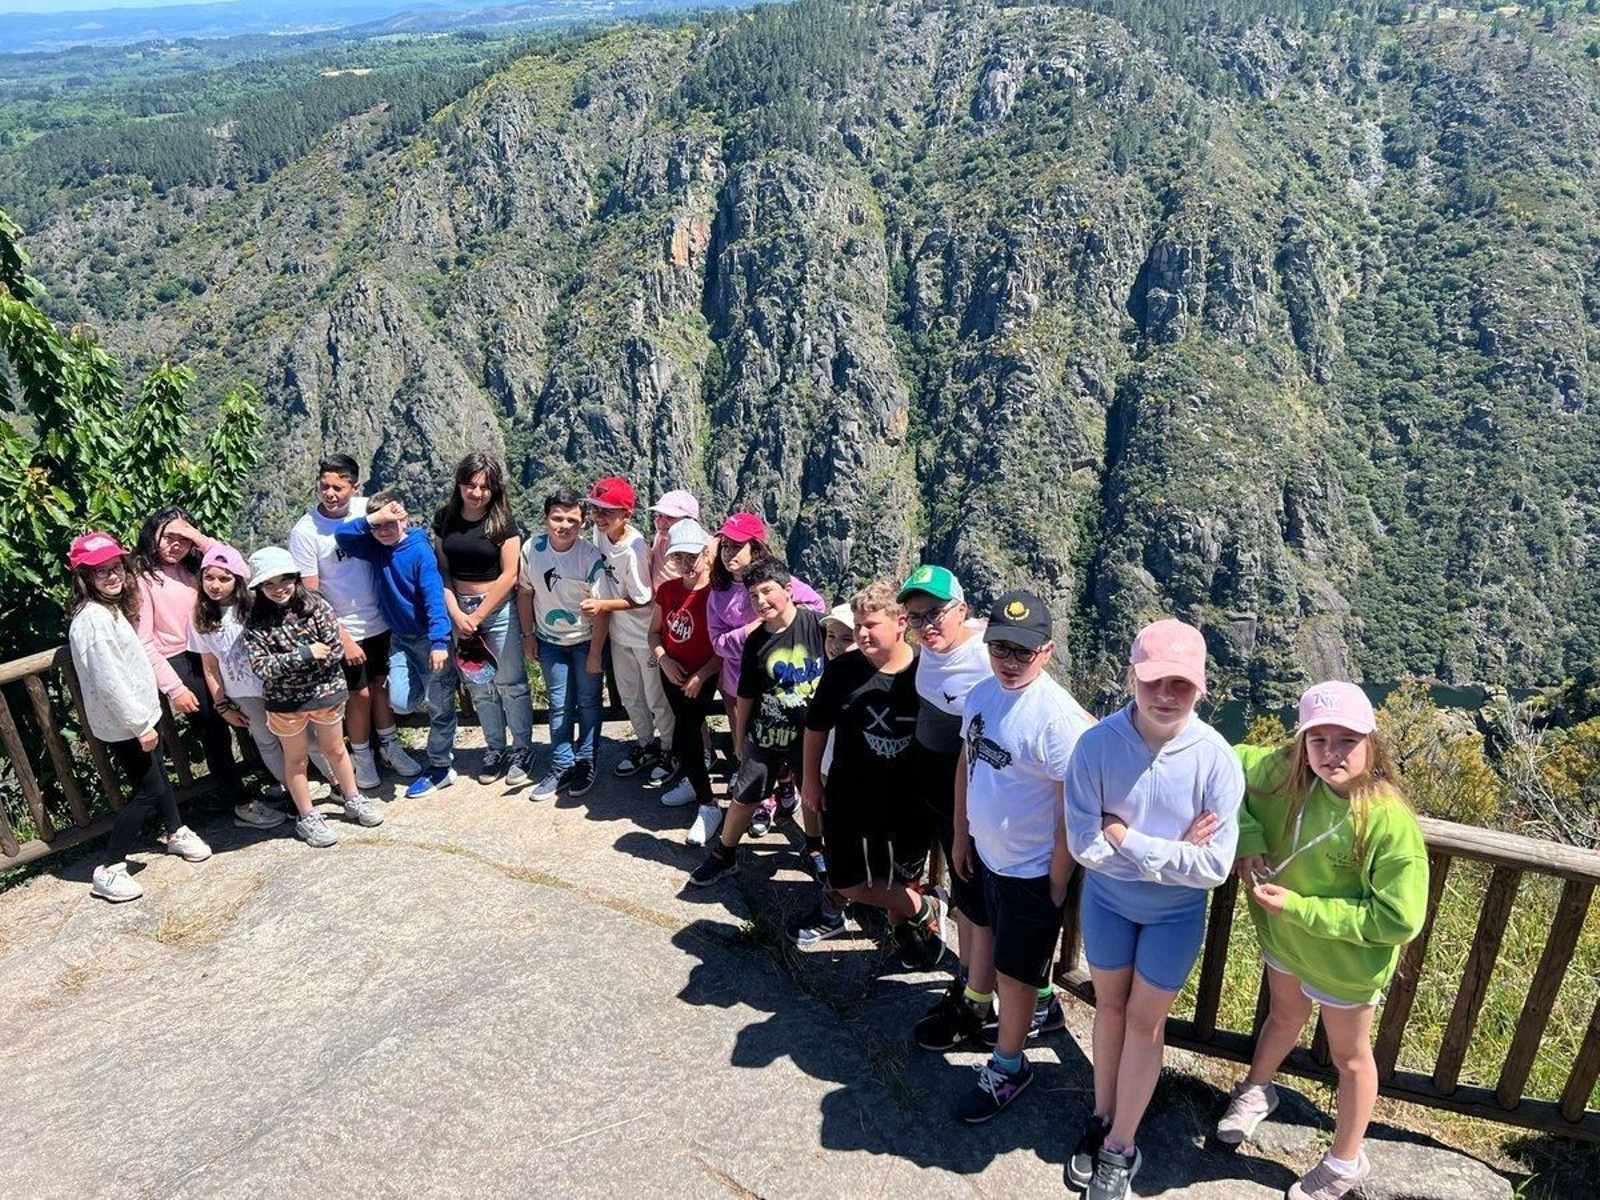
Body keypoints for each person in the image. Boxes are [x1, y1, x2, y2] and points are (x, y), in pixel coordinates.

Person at [1218, 683, 1427, 1200]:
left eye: (1347, 740)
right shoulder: (1283, 772)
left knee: (1350, 1057)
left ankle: (1344, 1162)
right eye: (1319, 739)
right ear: (1302, 741)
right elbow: (1220, 765)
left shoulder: (1387, 821)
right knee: (1284, 1014)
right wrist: (1247, 836)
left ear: (1371, 744)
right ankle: (1257, 1090)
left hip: (1345, 963)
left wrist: (1300, 908)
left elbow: (1400, 919)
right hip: (1284, 940)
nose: (1331, 753)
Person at [1063, 618, 1242, 1199]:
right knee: (1110, 1011)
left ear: (1202, 687)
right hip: (1110, 904)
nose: (1166, 695)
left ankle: (1122, 1144)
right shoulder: (1097, 746)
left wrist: (1129, 839)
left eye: (1181, 685)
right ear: (1132, 678)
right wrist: (1172, 854)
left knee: (1145, 1020)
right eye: (1154, 681)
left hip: (1173, 917)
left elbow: (1215, 867)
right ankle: (1101, 1115)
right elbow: (1082, 843)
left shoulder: (1215, 758)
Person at [950, 590, 1094, 1124]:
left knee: (1015, 973)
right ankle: (1040, 1010)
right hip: (987, 856)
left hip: (1031, 869)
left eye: (1023, 652)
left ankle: (1009, 1066)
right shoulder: (983, 695)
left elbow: (1069, 808)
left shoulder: (1057, 719)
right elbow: (968, 765)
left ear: (1048, 651)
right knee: (1003, 953)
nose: (1010, 661)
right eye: (1000, 648)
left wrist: (1056, 881)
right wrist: (962, 837)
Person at [798, 583, 945, 964]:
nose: (862, 634)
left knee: (900, 877)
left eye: (871, 625)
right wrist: (811, 780)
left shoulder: (927, 671)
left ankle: (904, 935)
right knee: (848, 878)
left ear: (901, 624)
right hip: (851, 794)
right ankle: (924, 911)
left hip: (910, 801)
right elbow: (816, 727)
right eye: (858, 625)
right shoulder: (844, 670)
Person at [68, 532, 211, 903]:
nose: (113, 576)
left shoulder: (109, 611)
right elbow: (109, 681)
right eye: (101, 572)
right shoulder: (93, 622)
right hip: (127, 722)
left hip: (138, 714)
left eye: (116, 567)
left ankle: (176, 830)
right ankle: (110, 867)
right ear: (84, 578)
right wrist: (140, 726)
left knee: (158, 776)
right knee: (149, 790)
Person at [899, 566, 1000, 1051]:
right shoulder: (933, 651)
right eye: (916, 618)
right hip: (942, 805)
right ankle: (972, 985)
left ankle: (976, 1005)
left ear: (963, 609)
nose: (927, 626)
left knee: (977, 909)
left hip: (974, 814)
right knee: (968, 902)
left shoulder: (986, 660)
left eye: (936, 613)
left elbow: (1055, 708)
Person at [689, 559, 825, 887]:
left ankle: (814, 847)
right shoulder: (755, 642)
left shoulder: (817, 626)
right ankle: (724, 854)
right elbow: (746, 692)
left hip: (809, 735)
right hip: (766, 733)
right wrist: (739, 738)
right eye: (753, 596)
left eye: (767, 591)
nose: (761, 601)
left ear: (789, 591)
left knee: (812, 793)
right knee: (744, 795)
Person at [189, 544, 336, 844]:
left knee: (308, 738)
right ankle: (297, 795)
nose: (215, 585)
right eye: (209, 578)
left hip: (280, 683)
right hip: (244, 693)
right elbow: (210, 665)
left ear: (239, 579)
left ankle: (336, 781)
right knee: (267, 742)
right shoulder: (201, 617)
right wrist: (221, 703)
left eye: (224, 578)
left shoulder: (256, 603)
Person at [288, 455, 419, 788]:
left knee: (381, 687)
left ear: (354, 487)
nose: (330, 494)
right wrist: (342, 637)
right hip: (344, 627)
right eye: (324, 486)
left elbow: (403, 536)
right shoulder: (306, 532)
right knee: (357, 695)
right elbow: (311, 595)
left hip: (382, 620)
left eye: (338, 487)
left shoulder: (368, 510)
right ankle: (362, 756)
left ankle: (390, 746)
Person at [243, 547, 384, 832]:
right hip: (287, 704)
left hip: (324, 695)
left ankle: (352, 797)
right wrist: (306, 655)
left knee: (336, 750)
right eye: (268, 584)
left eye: (284, 580)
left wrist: (285, 663)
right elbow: (261, 667)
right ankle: (307, 816)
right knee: (296, 760)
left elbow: (333, 650)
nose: (278, 589)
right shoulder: (255, 623)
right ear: (259, 588)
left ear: (294, 577)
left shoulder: (317, 606)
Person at [334, 494, 457, 797]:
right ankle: (434, 696)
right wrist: (373, 520)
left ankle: (441, 764)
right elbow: (343, 537)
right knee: (400, 702)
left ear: (405, 520)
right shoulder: (375, 547)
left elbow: (433, 597)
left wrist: (440, 641)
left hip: (428, 639)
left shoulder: (419, 550)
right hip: (400, 640)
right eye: (378, 525)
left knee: (439, 705)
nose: (384, 530)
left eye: (391, 523)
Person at [433, 453, 534, 788]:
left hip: (497, 609)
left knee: (510, 684)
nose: (476, 492)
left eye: (484, 487)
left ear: (494, 490)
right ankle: (495, 748)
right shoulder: (445, 518)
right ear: (459, 484)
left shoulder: (501, 521)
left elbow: (510, 574)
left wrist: (477, 614)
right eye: (470, 484)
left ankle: (521, 749)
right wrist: (457, 613)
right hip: (459, 609)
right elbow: (443, 571)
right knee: (479, 686)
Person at [130, 506, 245, 797]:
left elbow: (240, 569)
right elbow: (144, 641)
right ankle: (238, 799)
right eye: (168, 536)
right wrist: (174, 688)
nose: (175, 544)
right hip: (179, 659)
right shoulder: (142, 578)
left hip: (217, 650)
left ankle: (271, 782)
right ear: (151, 534)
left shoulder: (198, 567)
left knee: (247, 714)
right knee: (214, 733)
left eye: (183, 538)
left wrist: (199, 537)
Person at [585, 476, 676, 786]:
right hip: (619, 634)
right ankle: (644, 744)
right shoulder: (600, 535)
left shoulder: (634, 547)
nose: (600, 516)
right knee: (629, 695)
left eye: (608, 511)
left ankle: (669, 748)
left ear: (626, 514)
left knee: (655, 697)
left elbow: (642, 598)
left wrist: (602, 606)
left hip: (643, 634)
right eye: (596, 509)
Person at [517, 487, 606, 801]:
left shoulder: (590, 555)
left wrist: (596, 652)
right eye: (557, 518)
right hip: (549, 641)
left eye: (572, 519)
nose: (564, 525)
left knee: (589, 702)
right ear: (545, 519)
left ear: (582, 523)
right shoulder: (532, 549)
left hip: (585, 641)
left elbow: (602, 608)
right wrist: (528, 636)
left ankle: (586, 761)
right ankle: (562, 764)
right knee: (559, 705)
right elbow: (525, 592)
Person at [785, 601, 857, 946]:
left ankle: (838, 907)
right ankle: (835, 907)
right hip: (828, 772)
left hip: (850, 777)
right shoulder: (830, 673)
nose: (835, 645)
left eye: (847, 638)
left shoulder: (856, 677)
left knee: (847, 846)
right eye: (831, 636)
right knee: (838, 842)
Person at [649, 519, 722, 816]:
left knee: (685, 735)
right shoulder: (667, 590)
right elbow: (654, 632)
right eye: (678, 557)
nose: (685, 563)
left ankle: (708, 803)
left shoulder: (717, 593)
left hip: (702, 675)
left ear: (706, 554)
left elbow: (724, 646)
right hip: (671, 673)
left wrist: (701, 675)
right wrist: (663, 659)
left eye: (691, 556)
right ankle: (695, 782)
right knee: (686, 733)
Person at [648, 489, 701, 588]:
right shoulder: (659, 539)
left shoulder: (702, 549)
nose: (661, 522)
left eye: (670, 517)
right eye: (659, 516)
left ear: (689, 520)